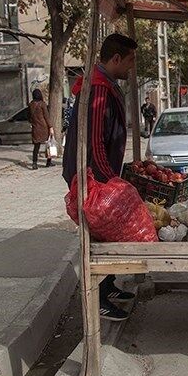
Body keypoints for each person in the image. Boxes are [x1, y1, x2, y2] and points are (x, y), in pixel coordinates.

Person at [63, 33, 139, 321]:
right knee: (97, 239)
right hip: (90, 177)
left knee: (106, 235)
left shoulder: (105, 84)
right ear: (116, 58)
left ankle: (107, 287)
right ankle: (96, 299)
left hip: (100, 175)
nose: (131, 68)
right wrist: (111, 181)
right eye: (129, 61)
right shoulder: (97, 89)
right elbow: (93, 142)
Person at [28, 89, 53, 170]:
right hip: (44, 127)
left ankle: (34, 164)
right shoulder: (42, 104)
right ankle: (48, 162)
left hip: (35, 128)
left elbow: (29, 117)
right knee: (48, 145)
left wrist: (32, 123)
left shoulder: (31, 105)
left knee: (36, 147)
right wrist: (51, 127)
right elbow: (46, 116)